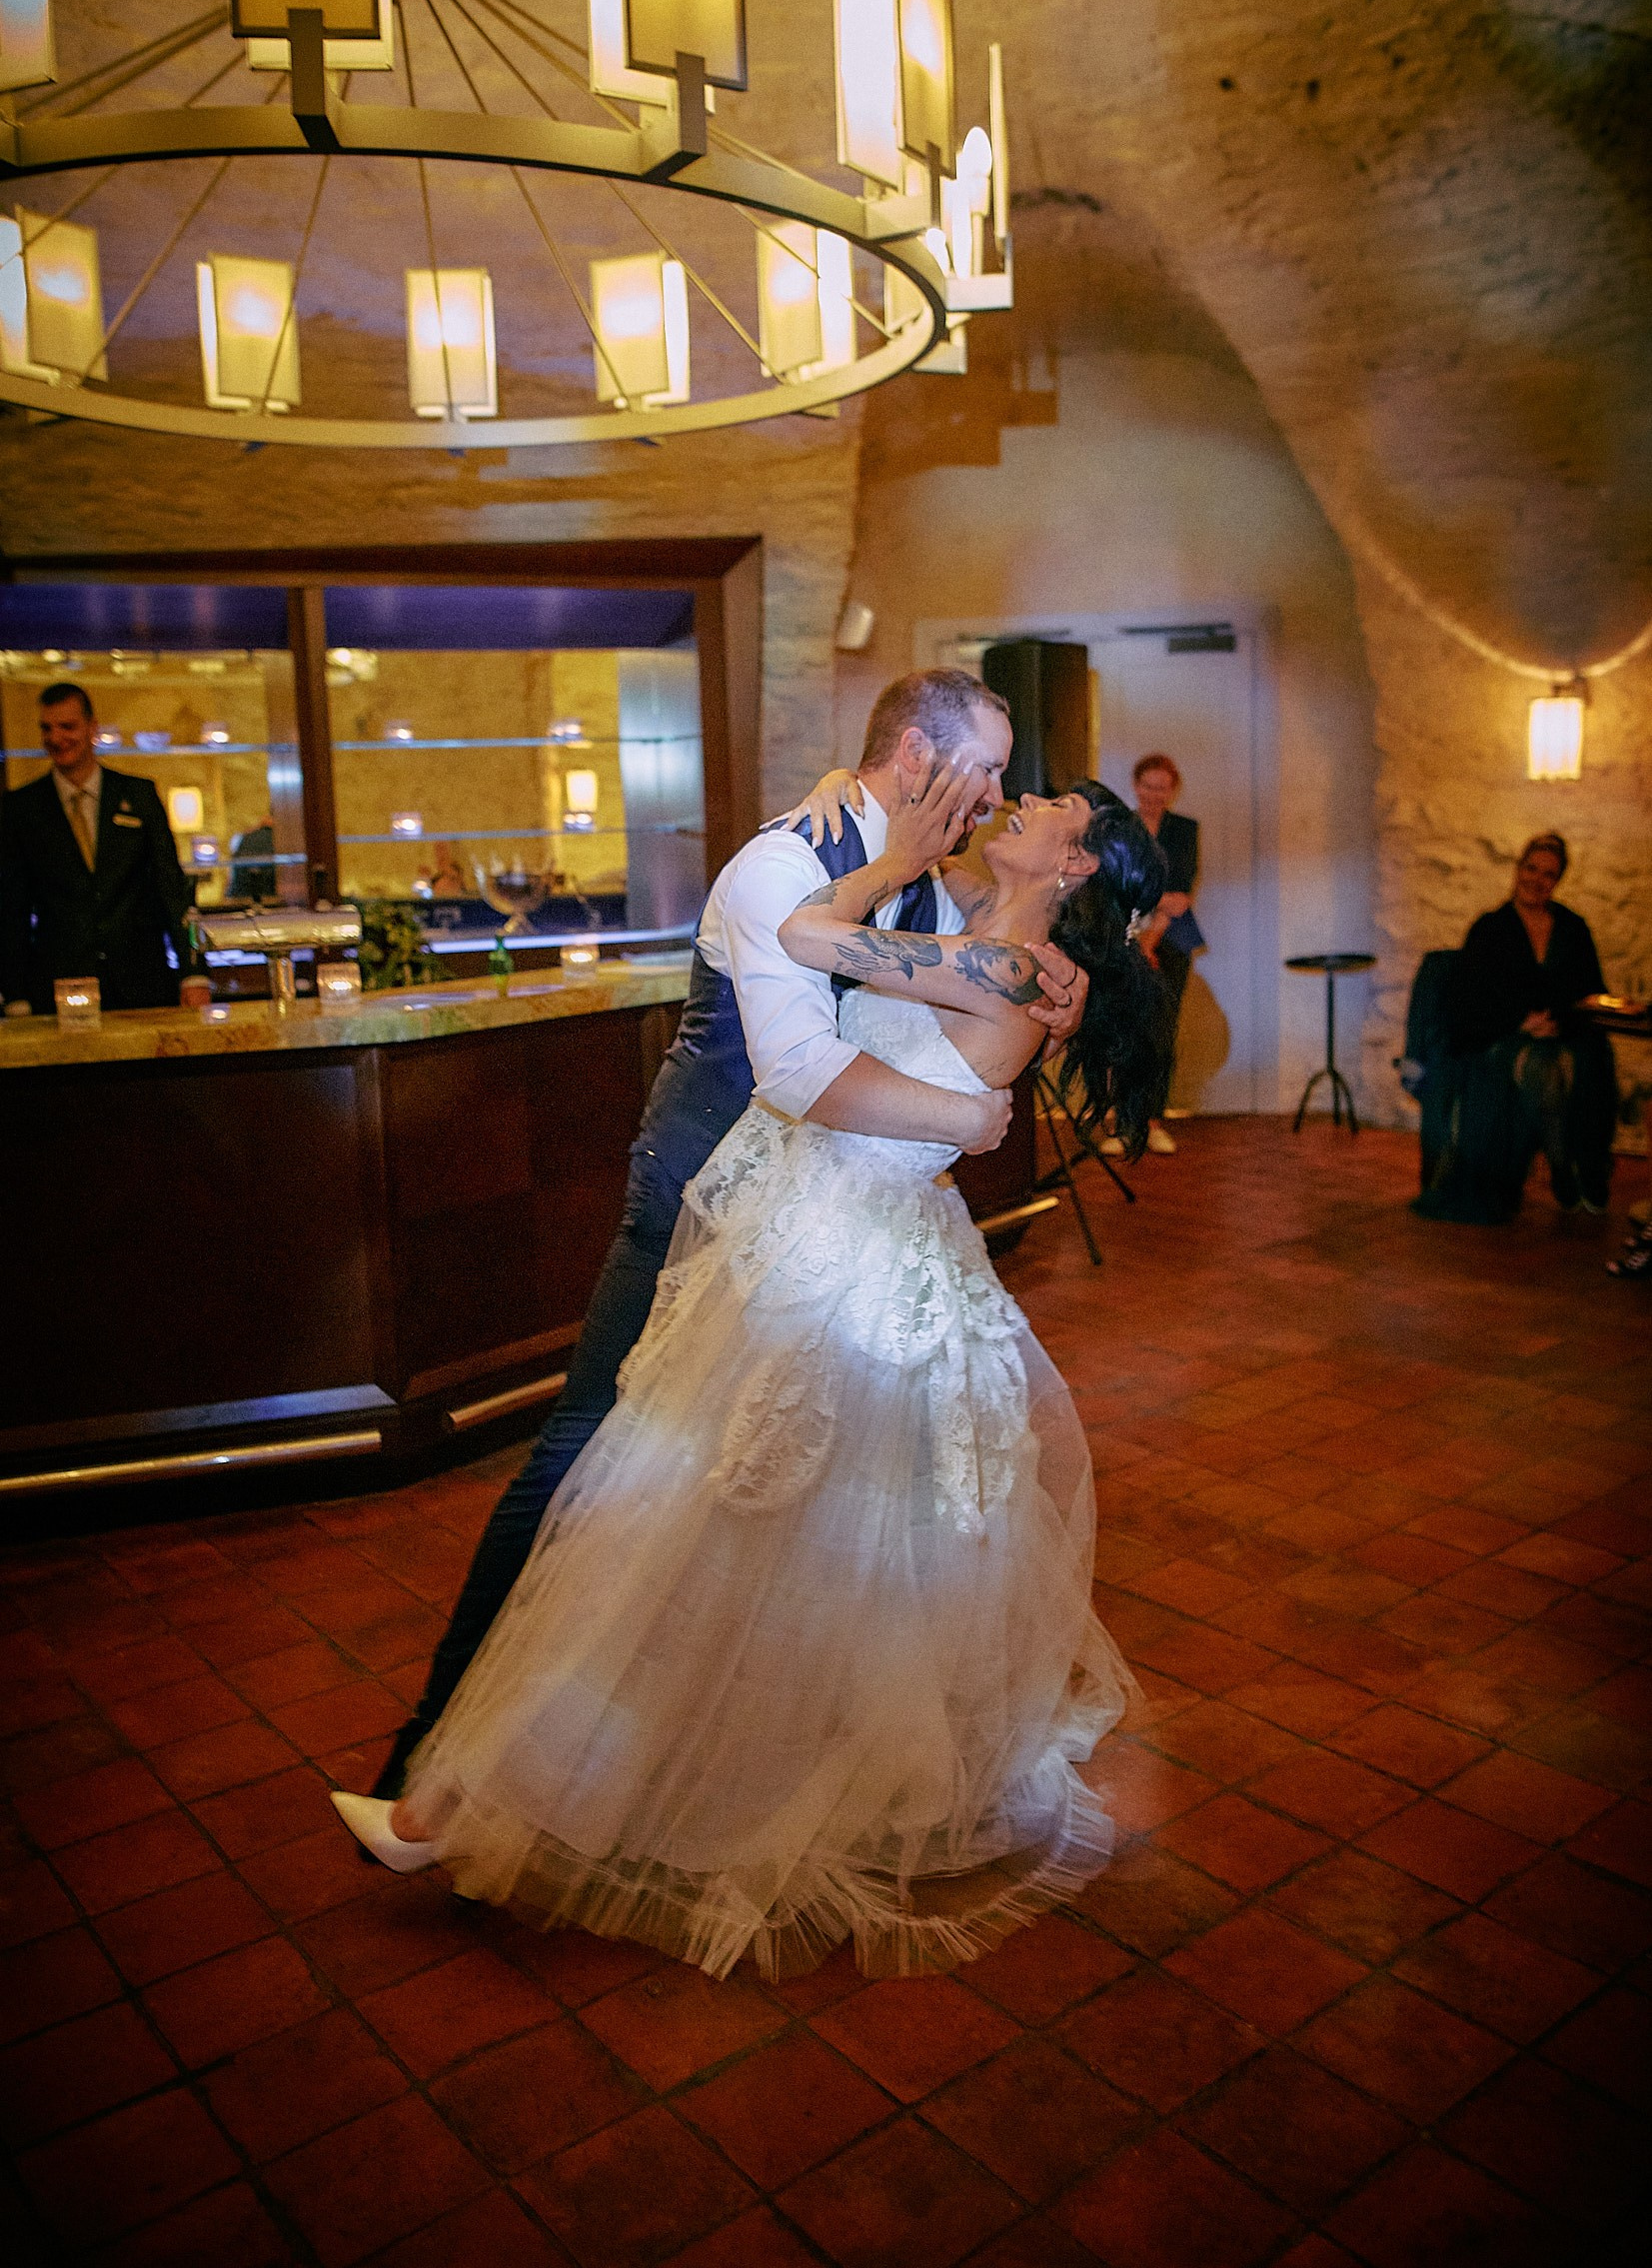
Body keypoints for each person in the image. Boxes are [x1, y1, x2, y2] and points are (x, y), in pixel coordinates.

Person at [333, 774, 1172, 1980]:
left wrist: (948, 1086)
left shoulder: (1016, 972)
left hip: (847, 1270)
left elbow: (809, 945)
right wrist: (848, 810)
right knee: (707, 1531)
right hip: (814, 1240)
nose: (1017, 796)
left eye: (1046, 805)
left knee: (673, 1533)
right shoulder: (971, 933)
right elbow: (832, 954)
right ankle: (491, 1794)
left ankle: (479, 1804)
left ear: (1077, 865)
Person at [364, 670, 1089, 1805]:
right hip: (698, 1187)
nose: (999, 792)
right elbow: (799, 1069)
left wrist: (1040, 972)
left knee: (732, 1477)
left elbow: (934, 997)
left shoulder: (925, 886)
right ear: (915, 757)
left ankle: (691, 1740)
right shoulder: (780, 864)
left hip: (806, 1214)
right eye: (985, 765)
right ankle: (439, 1740)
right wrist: (971, 1115)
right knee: (595, 1447)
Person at [1416, 833, 1615, 1221]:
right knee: (1543, 1071)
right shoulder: (1490, 929)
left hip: (1561, 1033)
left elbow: (1593, 993)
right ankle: (1561, 1168)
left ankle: (1580, 1167)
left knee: (1575, 1065)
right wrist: (1521, 1022)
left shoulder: (1573, 928)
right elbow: (1467, 1004)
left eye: (1548, 874)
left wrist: (1556, 1022)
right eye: (1531, 868)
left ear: (1557, 881)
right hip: (1502, 1037)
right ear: (1518, 869)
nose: (1537, 880)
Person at [0, 682, 193, 1016]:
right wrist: (15, 995)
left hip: (143, 983)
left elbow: (171, 891)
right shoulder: (21, 809)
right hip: (60, 991)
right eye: (47, 728)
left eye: (67, 726)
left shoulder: (139, 796)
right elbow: (11, 910)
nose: (56, 738)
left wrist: (194, 976)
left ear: (92, 728)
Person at [1128, 752, 1203, 1154]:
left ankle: (1153, 1120)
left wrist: (1150, 933)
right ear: (1136, 785)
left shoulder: (1185, 830)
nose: (1154, 794)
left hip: (1171, 942)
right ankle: (1124, 1122)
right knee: (1124, 1033)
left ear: (1173, 791)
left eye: (1162, 787)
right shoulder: (1119, 828)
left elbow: (1180, 898)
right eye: (1148, 786)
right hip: (1124, 940)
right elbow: (1117, 889)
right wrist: (1154, 902)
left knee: (1160, 1031)